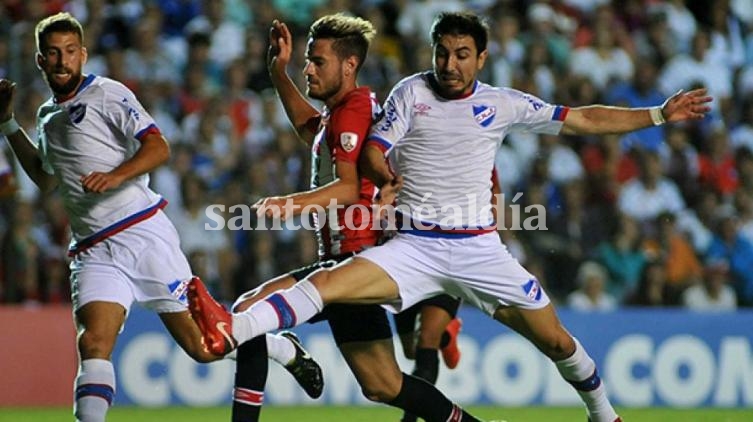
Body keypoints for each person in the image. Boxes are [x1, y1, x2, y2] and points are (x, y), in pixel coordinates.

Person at [189, 11, 711, 422]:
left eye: (462, 55)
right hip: (414, 247)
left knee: (554, 340)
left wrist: (660, 114)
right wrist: (384, 175)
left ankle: (603, 413)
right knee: (330, 288)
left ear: (481, 58)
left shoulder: (503, 104)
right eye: (443, 53)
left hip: (479, 249)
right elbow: (375, 148)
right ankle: (232, 327)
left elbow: (582, 119)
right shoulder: (409, 93)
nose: (450, 64)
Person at [0, 13, 320, 422]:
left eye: (69, 52)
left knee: (206, 348)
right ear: (40, 61)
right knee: (93, 343)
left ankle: (280, 347)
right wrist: (9, 123)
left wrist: (116, 175)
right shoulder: (47, 115)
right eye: (53, 54)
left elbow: (158, 147)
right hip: (94, 249)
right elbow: (46, 181)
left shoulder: (108, 94)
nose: (62, 61)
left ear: (83, 54)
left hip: (143, 235)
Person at [224, 14, 481, 422]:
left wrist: (287, 204)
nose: (308, 67)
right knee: (384, 385)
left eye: (317, 61)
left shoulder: (354, 108)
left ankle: (284, 352)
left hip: (353, 262)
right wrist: (278, 73)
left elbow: (346, 188)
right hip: (354, 264)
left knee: (245, 315)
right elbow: (312, 132)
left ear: (349, 65)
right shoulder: (345, 113)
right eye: (307, 60)